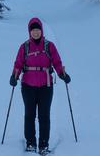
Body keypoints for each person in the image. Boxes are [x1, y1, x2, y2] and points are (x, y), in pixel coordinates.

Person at [10, 17, 71, 154]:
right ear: (29, 31)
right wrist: (13, 76)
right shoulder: (24, 47)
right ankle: (31, 143)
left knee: (44, 116)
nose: (35, 32)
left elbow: (57, 62)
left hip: (46, 86)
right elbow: (18, 64)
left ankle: (43, 145)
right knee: (29, 115)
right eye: (33, 30)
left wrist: (62, 74)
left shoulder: (49, 46)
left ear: (41, 30)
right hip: (28, 86)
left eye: (37, 30)